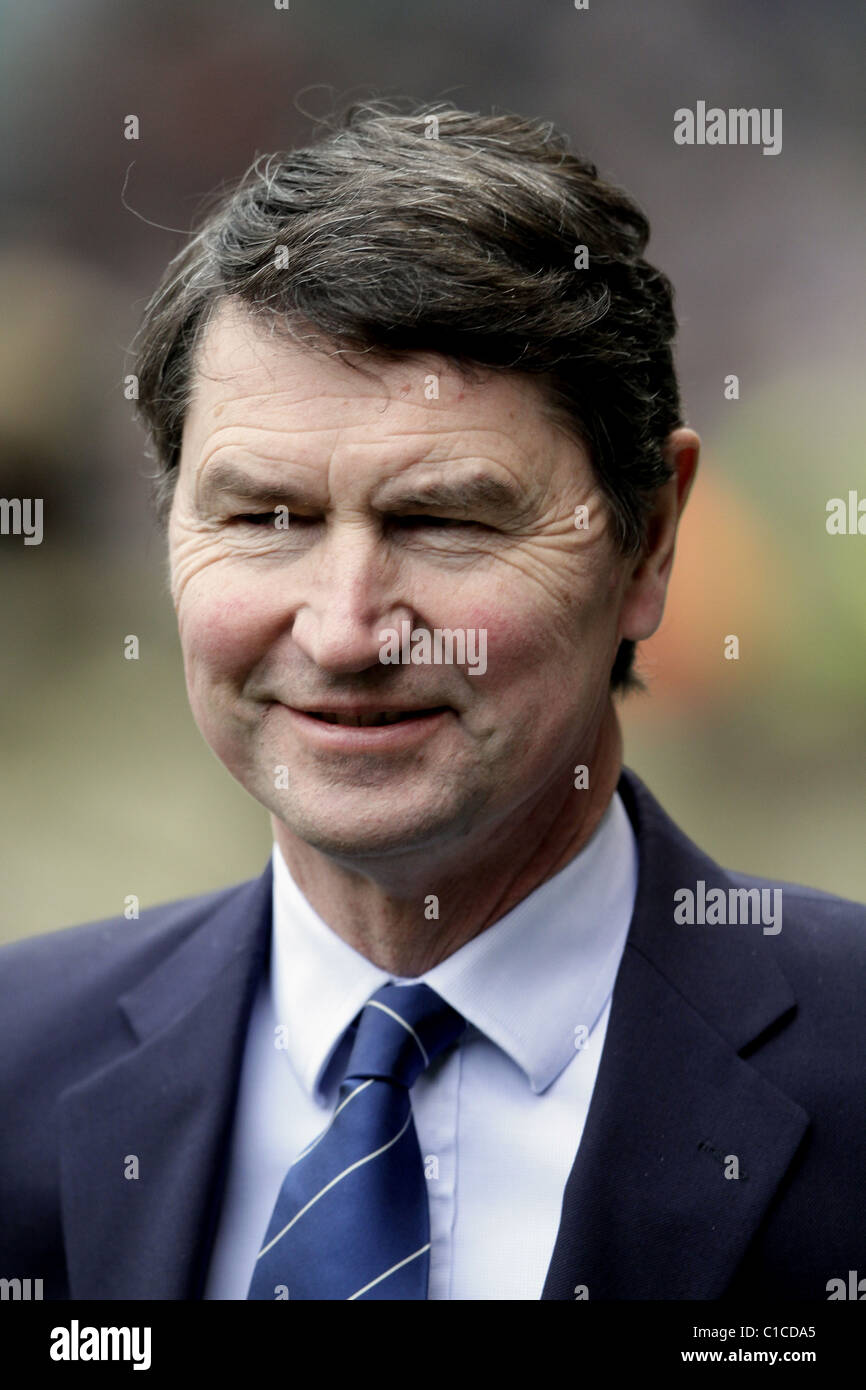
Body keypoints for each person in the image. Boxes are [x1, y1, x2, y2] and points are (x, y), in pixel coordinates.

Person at [1, 101, 864, 1302]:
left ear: (649, 539)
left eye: (444, 520)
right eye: (264, 519)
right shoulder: (16, 1063)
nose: (346, 629)